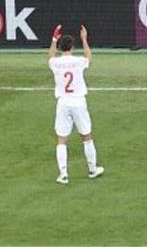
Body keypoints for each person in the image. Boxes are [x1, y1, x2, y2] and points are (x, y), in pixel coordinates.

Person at [48, 24, 104, 184]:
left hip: (63, 102)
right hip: (78, 101)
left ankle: (63, 174)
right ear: (72, 47)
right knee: (86, 136)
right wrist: (84, 39)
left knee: (61, 139)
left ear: (60, 48)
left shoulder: (56, 63)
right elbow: (89, 57)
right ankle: (92, 169)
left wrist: (53, 39)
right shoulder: (79, 61)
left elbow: (50, 57)